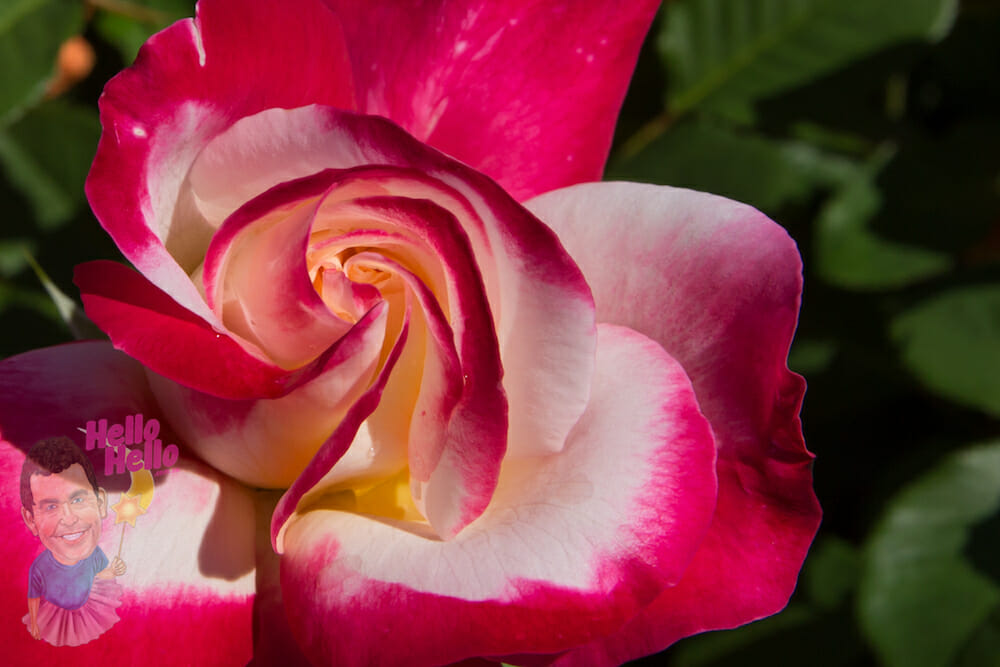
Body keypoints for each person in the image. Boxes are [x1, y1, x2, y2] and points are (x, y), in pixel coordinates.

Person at [19, 436, 125, 646]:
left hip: (86, 610)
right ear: (31, 520)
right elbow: (33, 597)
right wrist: (35, 622)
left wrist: (112, 571)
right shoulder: (40, 567)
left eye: (78, 500)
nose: (69, 519)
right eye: (51, 507)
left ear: (100, 503)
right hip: (54, 615)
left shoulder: (95, 554)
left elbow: (97, 575)